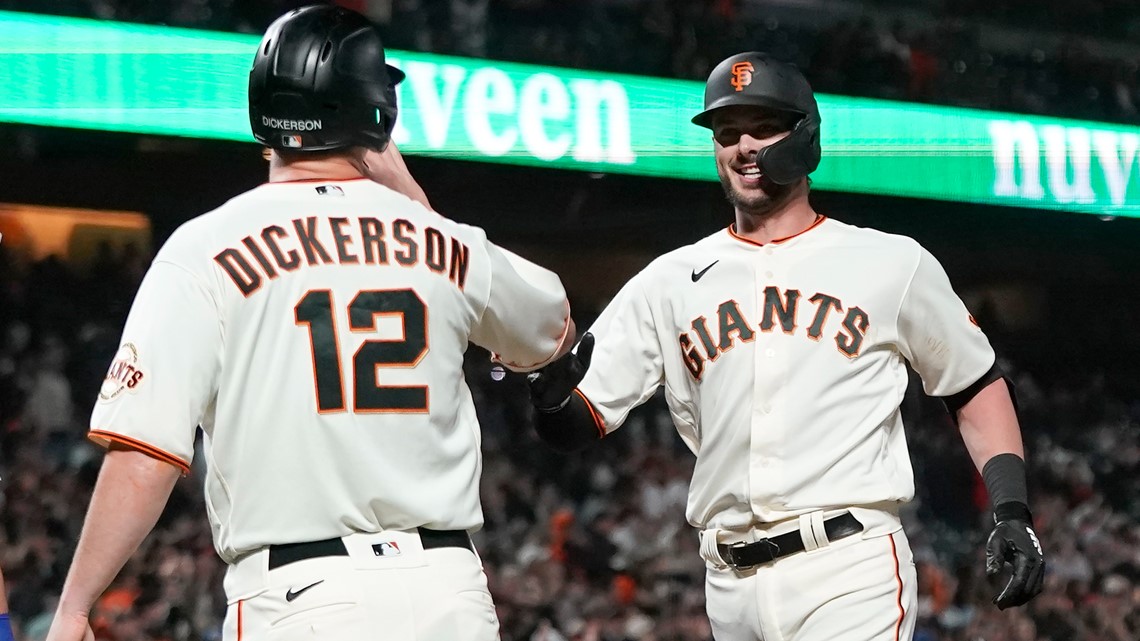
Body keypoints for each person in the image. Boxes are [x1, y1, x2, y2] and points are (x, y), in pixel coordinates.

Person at [45, 6, 574, 641]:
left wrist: (76, 603)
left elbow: (143, 459)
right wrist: (417, 203)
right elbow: (553, 326)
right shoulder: (445, 241)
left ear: (262, 116)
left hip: (299, 596)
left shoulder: (204, 247)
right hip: (447, 592)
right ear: (378, 113)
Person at [527, 52, 1045, 641]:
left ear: (805, 137)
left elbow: (973, 383)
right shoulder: (668, 280)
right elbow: (576, 421)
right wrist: (545, 391)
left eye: (763, 128)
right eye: (726, 133)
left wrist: (1010, 512)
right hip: (728, 585)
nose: (743, 146)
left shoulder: (890, 262)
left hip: (847, 569)